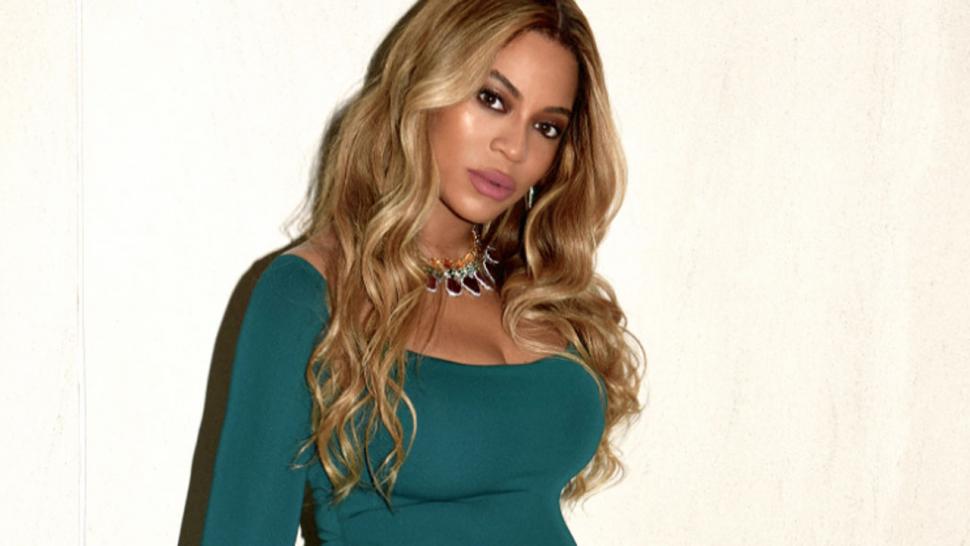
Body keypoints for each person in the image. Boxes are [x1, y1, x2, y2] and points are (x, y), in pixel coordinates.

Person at [200, 0, 645, 544]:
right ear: (426, 84)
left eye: (546, 127)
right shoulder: (309, 292)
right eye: (492, 99)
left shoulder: (536, 289)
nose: (514, 147)